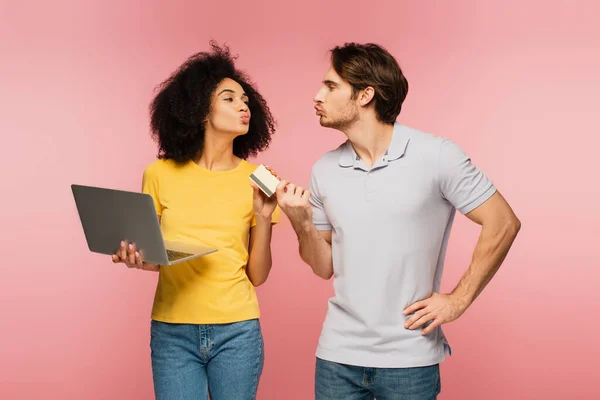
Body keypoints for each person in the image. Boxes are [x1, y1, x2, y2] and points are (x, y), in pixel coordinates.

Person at [275, 42, 521, 399]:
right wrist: (301, 223)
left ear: (365, 95)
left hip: (410, 358)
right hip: (336, 357)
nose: (317, 95)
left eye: (330, 86)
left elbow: (503, 222)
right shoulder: (324, 170)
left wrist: (458, 299)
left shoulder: (437, 156)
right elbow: (323, 267)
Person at [111, 42, 280, 400]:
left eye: (246, 101)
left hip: (237, 331)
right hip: (173, 333)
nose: (243, 106)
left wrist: (264, 218)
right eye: (230, 98)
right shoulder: (159, 174)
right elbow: (157, 258)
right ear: (201, 108)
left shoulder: (259, 178)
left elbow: (258, 276)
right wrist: (135, 258)